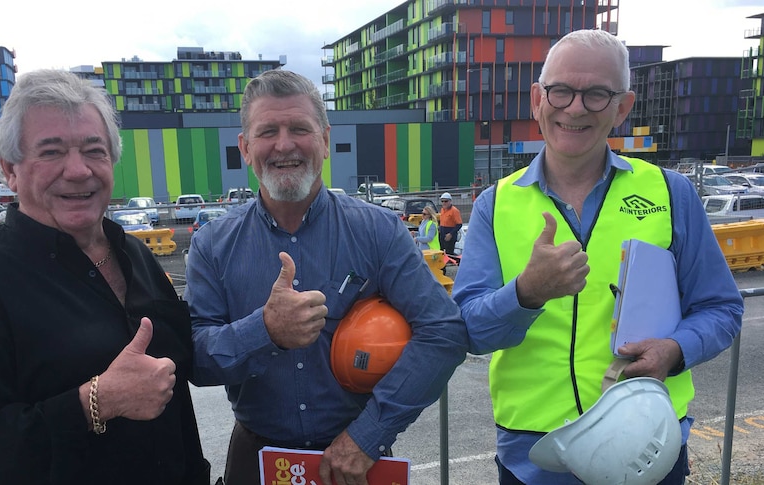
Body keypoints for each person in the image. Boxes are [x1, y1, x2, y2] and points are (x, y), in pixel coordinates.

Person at [452, 29, 743, 484]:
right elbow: (469, 330)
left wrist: (675, 349)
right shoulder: (496, 203)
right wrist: (527, 294)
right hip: (536, 456)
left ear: (622, 107)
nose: (574, 107)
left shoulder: (671, 193)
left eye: (596, 95)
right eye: (561, 91)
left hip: (647, 445)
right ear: (537, 99)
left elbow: (721, 308)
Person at [0, 70, 210, 484]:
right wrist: (97, 402)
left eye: (94, 150)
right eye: (52, 152)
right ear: (10, 170)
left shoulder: (137, 256)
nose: (77, 171)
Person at [184, 69, 468, 485]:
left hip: (358, 458)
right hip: (257, 460)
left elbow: (443, 332)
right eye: (268, 132)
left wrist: (367, 435)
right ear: (245, 148)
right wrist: (265, 330)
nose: (284, 144)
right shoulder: (212, 245)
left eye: (299, 128)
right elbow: (194, 358)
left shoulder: (379, 232)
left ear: (325, 141)